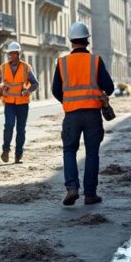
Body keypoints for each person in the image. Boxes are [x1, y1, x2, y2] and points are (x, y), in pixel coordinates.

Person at [52, 22, 114, 206]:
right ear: (87, 41)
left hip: (71, 114)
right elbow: (109, 87)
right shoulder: (95, 61)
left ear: (71, 41)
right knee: (92, 153)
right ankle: (90, 194)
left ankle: (72, 188)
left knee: (69, 150)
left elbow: (56, 89)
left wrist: (69, 101)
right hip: (92, 114)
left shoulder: (62, 62)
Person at [0, 41, 39, 164]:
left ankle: (18, 155)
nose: (13, 56)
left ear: (19, 54)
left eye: (15, 53)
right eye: (11, 54)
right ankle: (6, 150)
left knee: (21, 129)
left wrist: (28, 90)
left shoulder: (26, 67)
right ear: (9, 55)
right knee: (8, 126)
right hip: (9, 103)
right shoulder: (2, 68)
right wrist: (2, 87)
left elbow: (35, 83)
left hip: (23, 103)